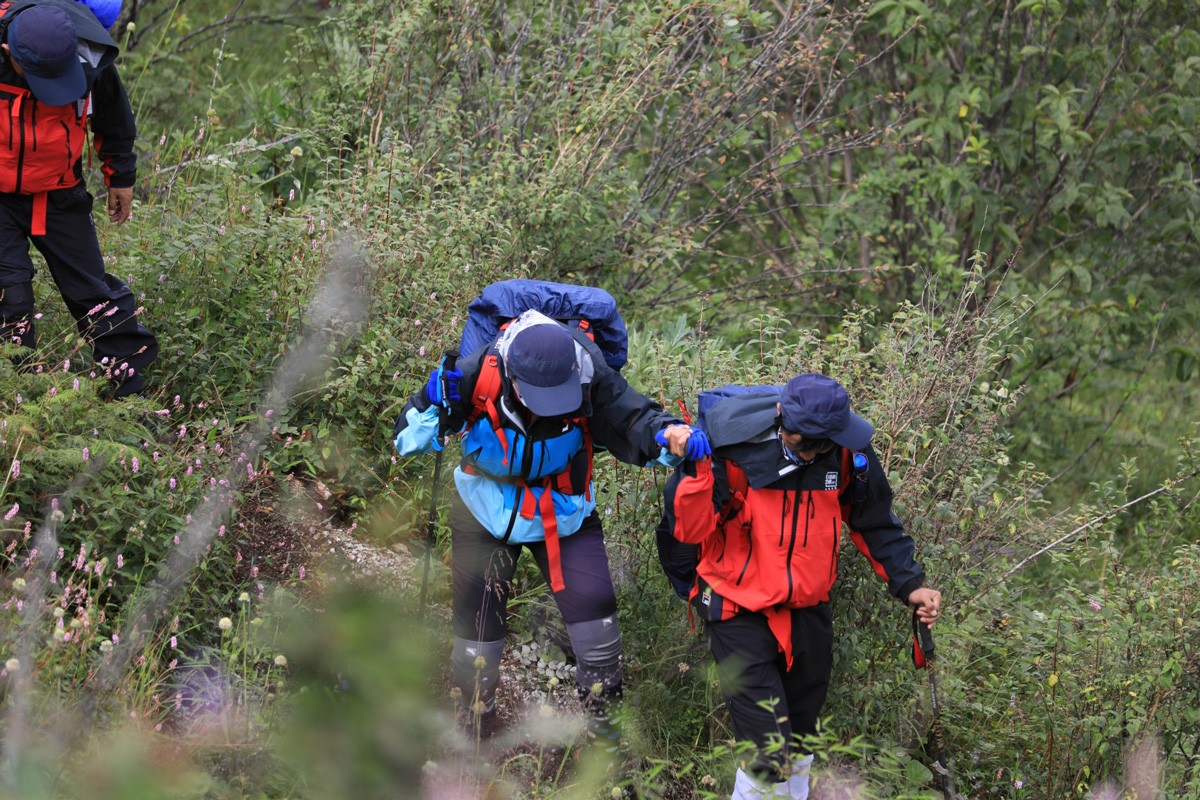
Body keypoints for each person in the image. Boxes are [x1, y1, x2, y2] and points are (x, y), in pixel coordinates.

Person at [393, 309, 709, 750]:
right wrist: (431, 403)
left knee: (598, 636)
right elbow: (406, 441)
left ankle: (605, 745)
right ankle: (475, 724)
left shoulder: (588, 373)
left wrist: (670, 434)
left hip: (564, 515)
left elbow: (633, 417)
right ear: (511, 376)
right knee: (476, 642)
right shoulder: (472, 374)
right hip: (483, 510)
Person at [665, 374, 942, 799]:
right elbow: (686, 530)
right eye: (804, 444)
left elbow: (874, 521)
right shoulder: (732, 451)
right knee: (767, 752)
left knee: (801, 741)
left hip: (808, 607)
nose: (814, 453)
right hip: (736, 606)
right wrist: (697, 474)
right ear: (781, 419)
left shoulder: (846, 452)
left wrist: (911, 585)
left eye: (823, 445)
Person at [0, 0, 157, 398]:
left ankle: (130, 398)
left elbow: (114, 116)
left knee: (94, 295)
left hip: (59, 192)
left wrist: (120, 177)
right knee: (9, 296)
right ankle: (18, 402)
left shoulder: (86, 56)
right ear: (8, 54)